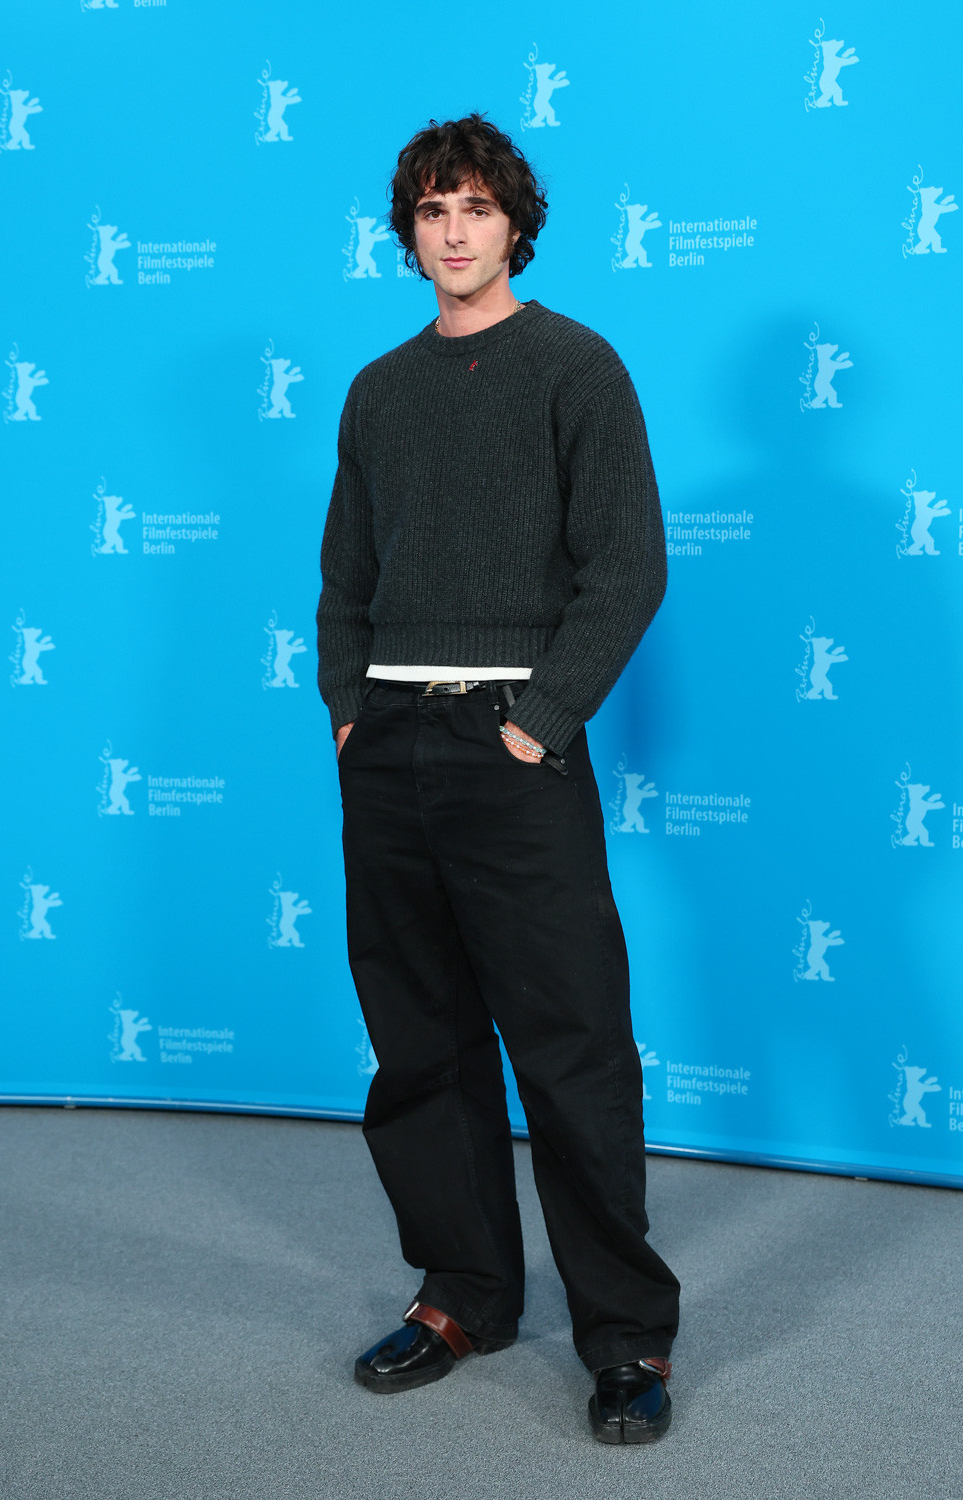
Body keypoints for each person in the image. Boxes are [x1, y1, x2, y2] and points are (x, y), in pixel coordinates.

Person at [315, 111, 680, 1445]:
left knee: (572, 1049)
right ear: (406, 235)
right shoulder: (376, 389)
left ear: (514, 223)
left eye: (473, 207)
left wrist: (539, 722)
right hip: (390, 751)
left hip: (511, 749)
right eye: (429, 211)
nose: (452, 232)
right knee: (419, 1045)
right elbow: (345, 577)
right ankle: (463, 1293)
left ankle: (627, 1340)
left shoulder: (574, 367)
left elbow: (627, 567)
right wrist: (350, 717)